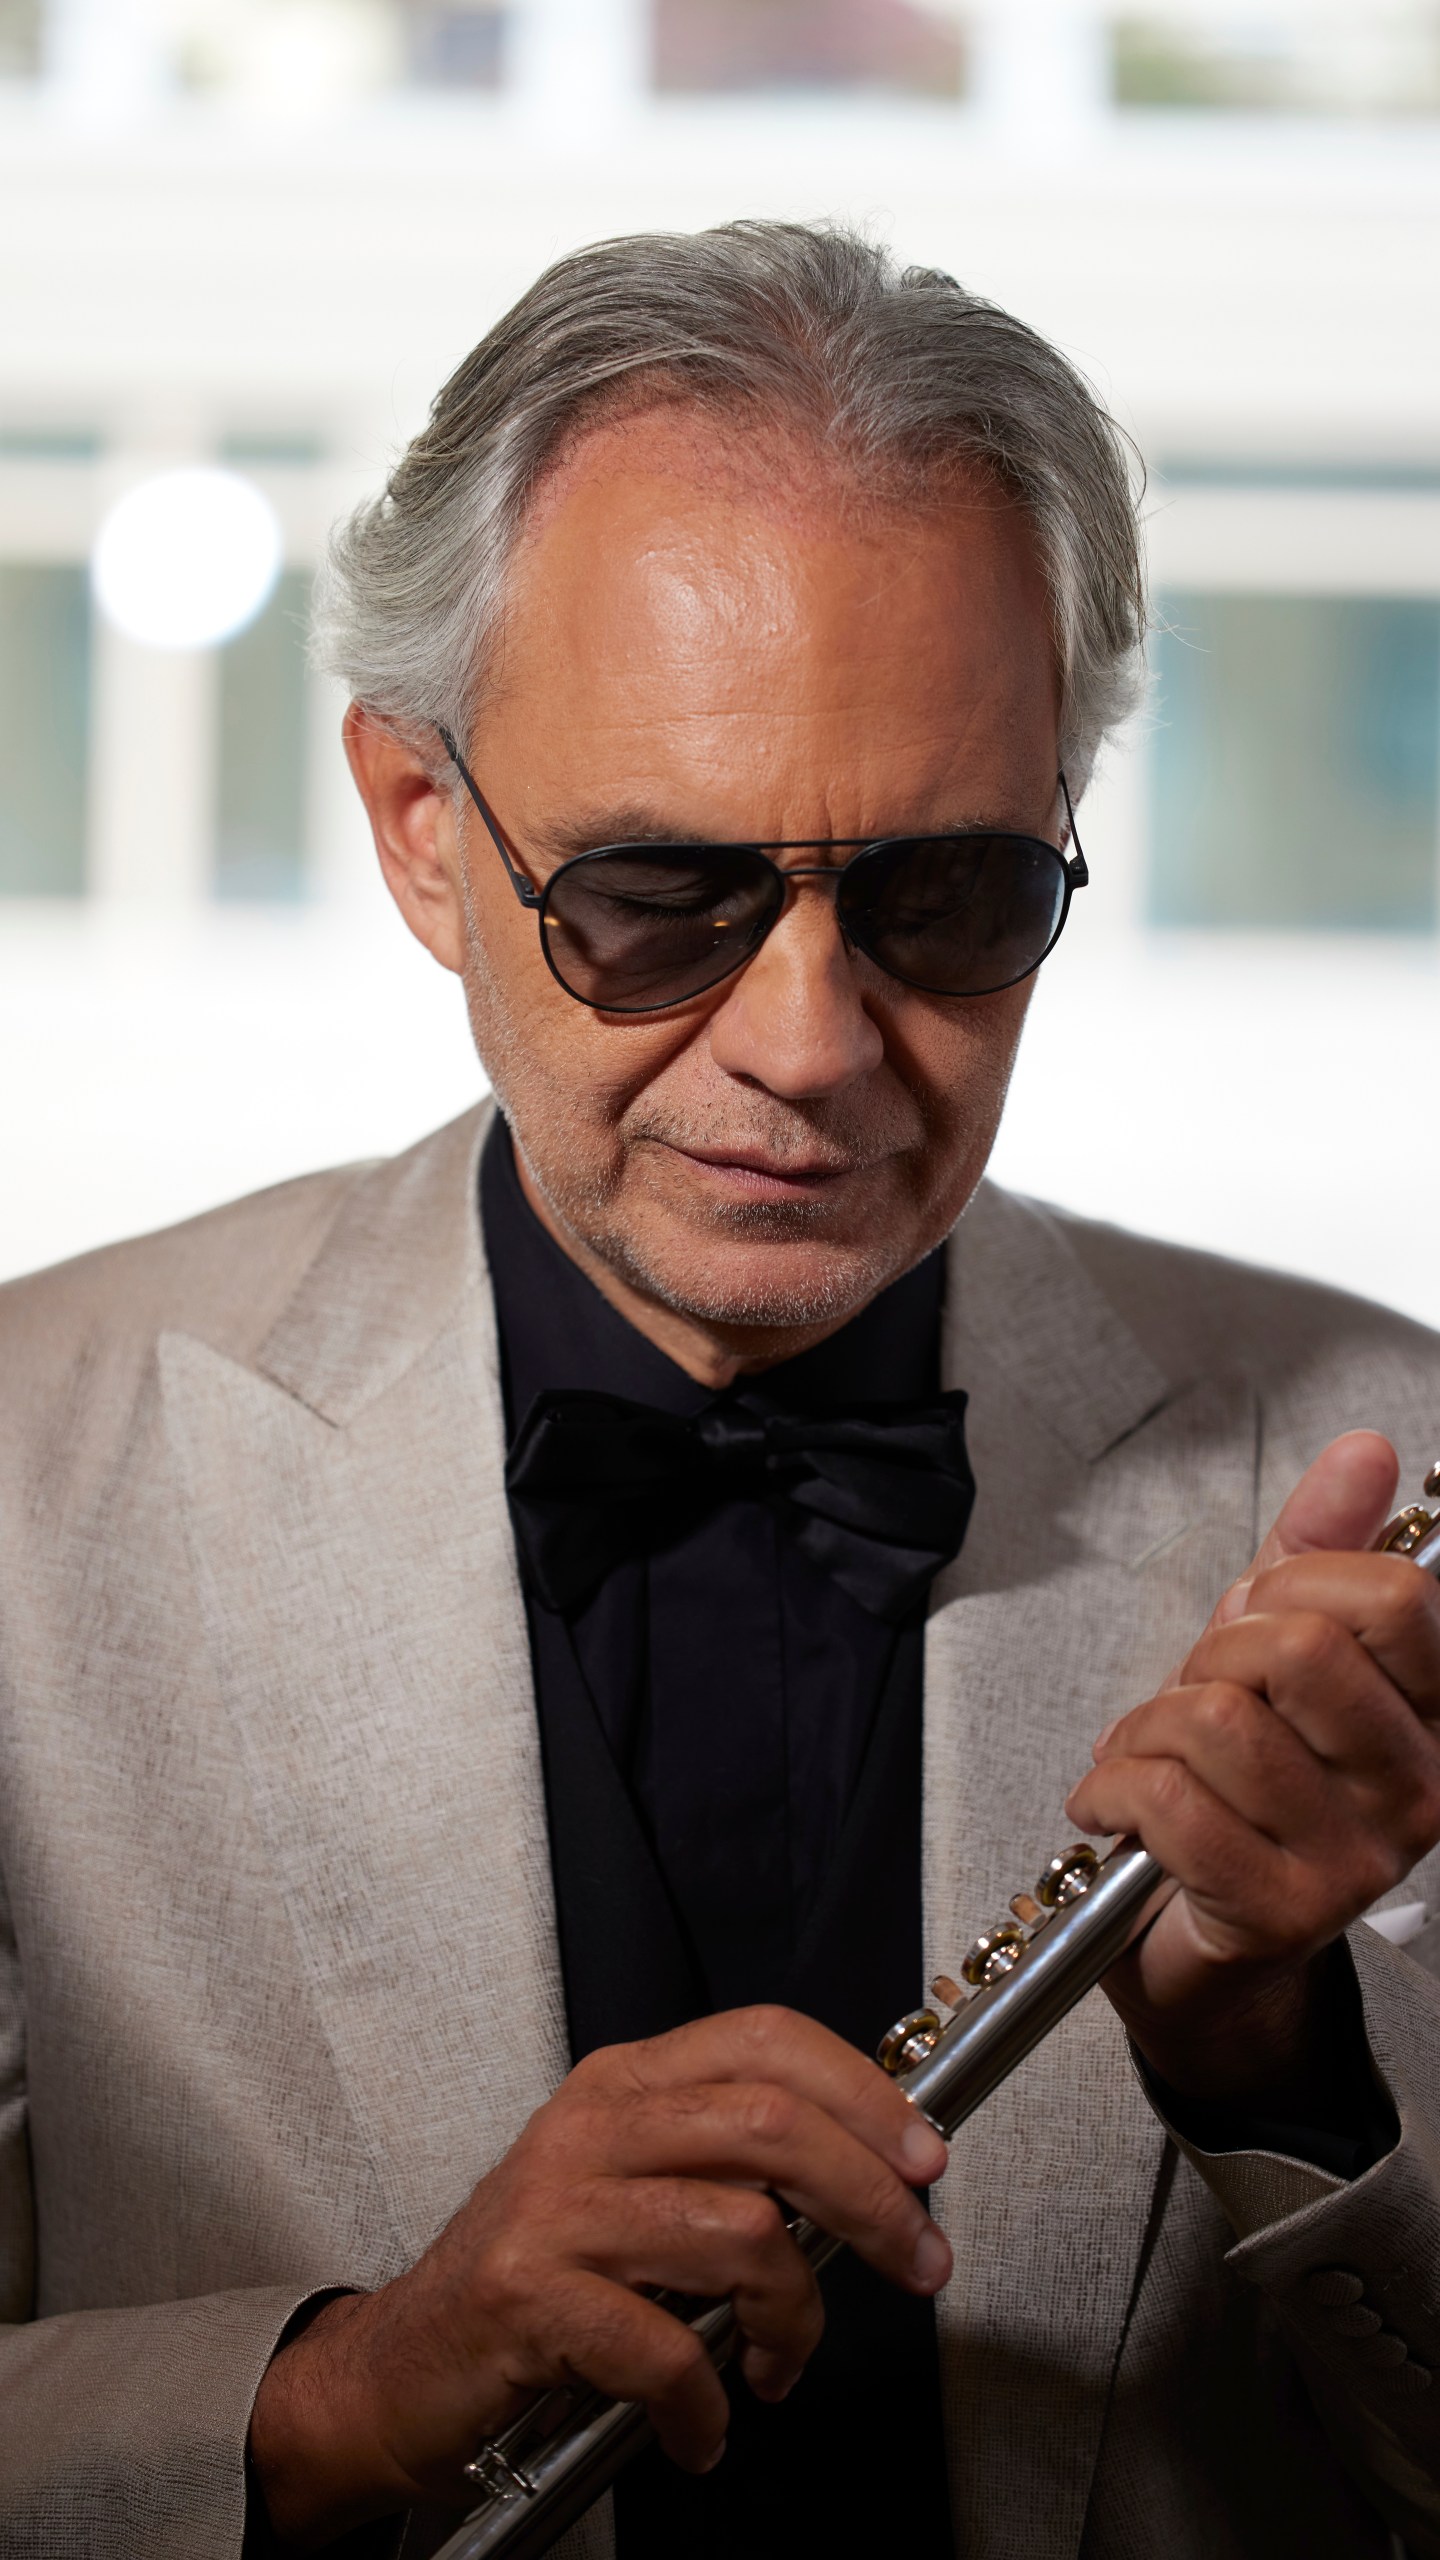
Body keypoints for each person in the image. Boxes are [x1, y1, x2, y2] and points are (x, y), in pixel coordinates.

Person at [2, 221, 1439, 2560]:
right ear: (421, 832)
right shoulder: (20, 1471)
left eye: (949, 894)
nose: (806, 1044)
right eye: (662, 891)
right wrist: (343, 2387)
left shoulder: (1378, 1464)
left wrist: (1275, 2059)